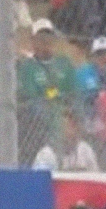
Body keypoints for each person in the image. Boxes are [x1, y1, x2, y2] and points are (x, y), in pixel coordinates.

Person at [18, 19, 78, 160]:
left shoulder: (64, 63)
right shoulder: (28, 67)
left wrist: (55, 95)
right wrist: (56, 94)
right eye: (41, 37)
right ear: (33, 41)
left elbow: (73, 91)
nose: (45, 41)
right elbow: (34, 95)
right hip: (40, 116)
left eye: (49, 37)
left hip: (65, 111)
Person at [32, 110, 100, 172]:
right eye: (67, 125)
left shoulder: (85, 150)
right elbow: (40, 179)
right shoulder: (46, 154)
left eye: (73, 125)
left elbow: (95, 176)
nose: (72, 130)